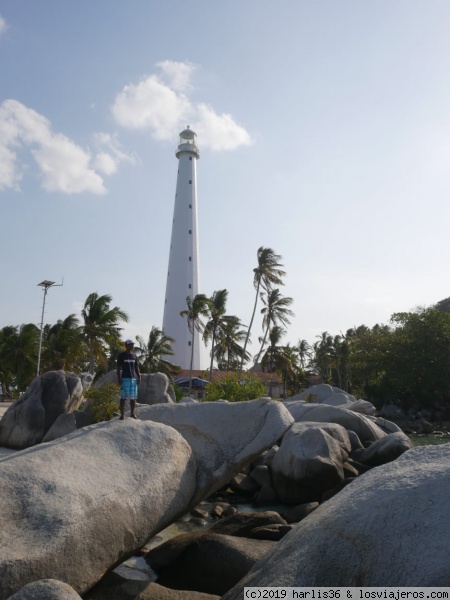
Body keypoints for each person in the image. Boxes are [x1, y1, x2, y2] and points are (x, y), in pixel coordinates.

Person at [116, 339, 141, 420]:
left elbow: (136, 367)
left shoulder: (134, 356)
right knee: (123, 397)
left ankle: (132, 413)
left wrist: (139, 376)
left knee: (133, 398)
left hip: (133, 379)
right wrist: (119, 378)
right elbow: (118, 368)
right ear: (126, 346)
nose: (132, 346)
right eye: (130, 344)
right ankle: (122, 415)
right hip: (125, 378)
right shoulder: (121, 355)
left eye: (132, 344)